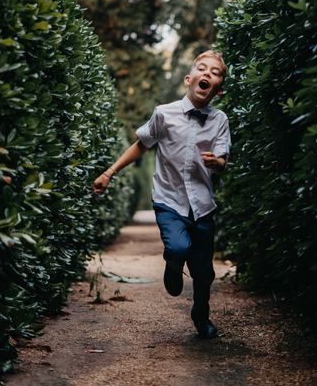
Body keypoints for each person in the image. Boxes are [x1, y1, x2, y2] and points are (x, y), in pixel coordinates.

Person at [93, 50, 231, 339]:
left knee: (204, 273)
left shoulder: (220, 120)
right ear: (189, 78)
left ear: (219, 87)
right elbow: (141, 144)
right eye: (202, 69)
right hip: (169, 199)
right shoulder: (163, 113)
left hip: (203, 205)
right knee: (179, 247)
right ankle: (172, 262)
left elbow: (222, 160)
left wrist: (216, 163)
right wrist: (109, 172)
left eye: (214, 72)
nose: (207, 74)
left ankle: (200, 314)